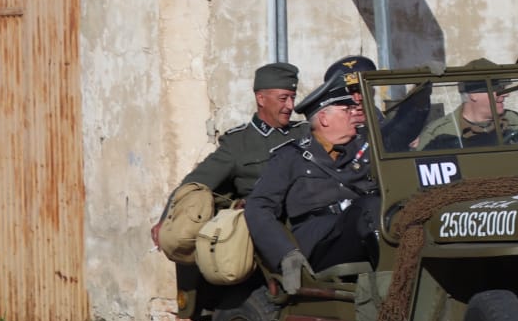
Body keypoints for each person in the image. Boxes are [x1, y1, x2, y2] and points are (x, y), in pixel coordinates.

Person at [244, 74, 380, 293]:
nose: (354, 114)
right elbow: (258, 206)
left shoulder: (366, 149)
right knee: (370, 207)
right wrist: (285, 254)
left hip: (363, 231)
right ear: (324, 119)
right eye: (346, 111)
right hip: (318, 242)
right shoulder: (291, 157)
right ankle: (394, 291)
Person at [152, 61, 302, 247]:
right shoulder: (238, 143)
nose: (290, 106)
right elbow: (194, 184)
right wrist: (166, 219)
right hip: (268, 233)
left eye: (293, 98)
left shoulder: (303, 133)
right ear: (261, 99)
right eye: (283, 98)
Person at [324, 53, 432, 151]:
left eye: (362, 90)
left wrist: (421, 91)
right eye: (349, 92)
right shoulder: (330, 127)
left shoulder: (377, 118)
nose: (357, 97)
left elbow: (395, 136)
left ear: (372, 91)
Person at [418, 58, 518, 149]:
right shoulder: (438, 133)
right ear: (473, 95)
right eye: (497, 90)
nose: (506, 95)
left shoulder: (512, 119)